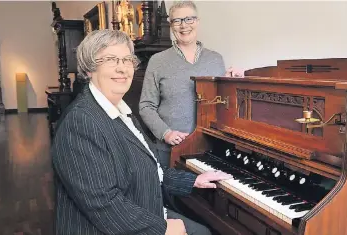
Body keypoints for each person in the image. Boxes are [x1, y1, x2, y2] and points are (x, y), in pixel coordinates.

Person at [51, 29, 232, 235]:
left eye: (127, 60)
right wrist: (164, 228)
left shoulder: (122, 111)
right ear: (90, 68)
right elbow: (104, 205)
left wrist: (193, 180)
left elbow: (152, 170)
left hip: (144, 211)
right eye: (111, 59)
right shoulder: (81, 122)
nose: (122, 68)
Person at [139, 0, 243, 168]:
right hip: (171, 150)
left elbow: (221, 103)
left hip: (210, 150)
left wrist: (232, 82)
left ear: (197, 21)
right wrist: (166, 133)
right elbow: (146, 106)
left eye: (189, 19)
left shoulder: (216, 59)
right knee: (171, 193)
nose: (184, 25)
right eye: (177, 20)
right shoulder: (157, 61)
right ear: (171, 25)